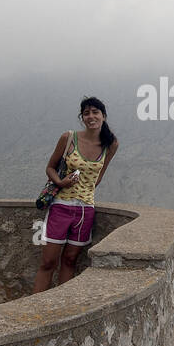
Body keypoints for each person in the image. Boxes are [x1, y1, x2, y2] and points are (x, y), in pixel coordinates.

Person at [33, 97, 118, 293]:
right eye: (86, 113)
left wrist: (84, 191)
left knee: (70, 260)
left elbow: (98, 177)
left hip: (85, 210)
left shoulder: (110, 144)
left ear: (103, 116)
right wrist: (62, 182)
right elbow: (50, 168)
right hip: (61, 207)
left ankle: (61, 308)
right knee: (48, 261)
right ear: (82, 117)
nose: (91, 116)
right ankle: (33, 307)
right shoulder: (69, 138)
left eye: (95, 112)